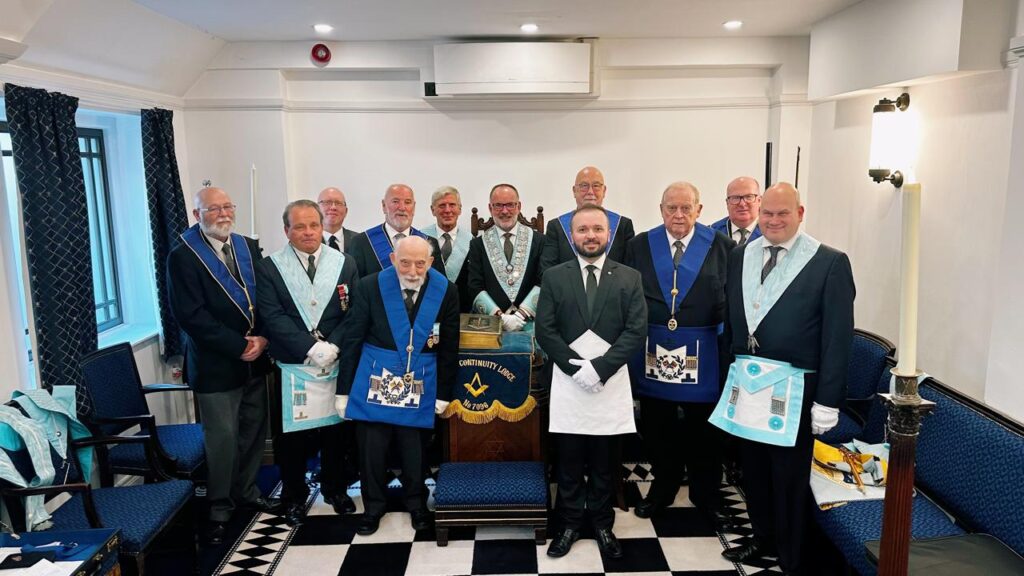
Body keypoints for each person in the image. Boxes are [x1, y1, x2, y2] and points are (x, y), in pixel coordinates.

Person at [713, 182, 855, 575]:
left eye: (782, 213)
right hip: (748, 382)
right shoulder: (741, 255)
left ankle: (792, 555)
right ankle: (762, 538)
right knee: (754, 470)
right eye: (768, 214)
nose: (773, 221)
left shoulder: (828, 262)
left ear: (800, 213)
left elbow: (838, 338)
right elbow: (734, 320)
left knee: (788, 476)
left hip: (796, 389)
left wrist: (828, 400)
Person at [167, 186, 280, 545]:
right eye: (213, 209)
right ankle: (219, 506)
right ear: (197, 215)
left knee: (252, 431)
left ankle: (247, 491)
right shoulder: (183, 256)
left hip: (254, 360)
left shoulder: (247, 246)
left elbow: (266, 298)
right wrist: (238, 345)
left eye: (227, 207)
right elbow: (191, 316)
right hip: (216, 364)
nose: (223, 214)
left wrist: (263, 339)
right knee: (223, 439)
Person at [536, 205, 647, 560]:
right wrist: (576, 370)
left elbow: (636, 331)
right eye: (582, 229)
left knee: (604, 461)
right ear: (572, 235)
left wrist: (599, 369)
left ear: (608, 234)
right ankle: (568, 524)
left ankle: (601, 524)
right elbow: (545, 330)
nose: (590, 236)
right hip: (568, 383)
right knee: (568, 461)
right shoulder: (554, 276)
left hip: (610, 383)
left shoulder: (629, 277)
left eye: (597, 229)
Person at [624, 182, 734, 523]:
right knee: (658, 427)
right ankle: (663, 489)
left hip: (705, 353)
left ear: (699, 210)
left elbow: (733, 301)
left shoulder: (723, 246)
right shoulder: (639, 245)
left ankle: (706, 495)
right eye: (671, 208)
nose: (679, 214)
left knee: (705, 431)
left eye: (686, 207)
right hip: (654, 350)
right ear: (661, 210)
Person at [335, 236, 460, 536]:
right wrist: (343, 391)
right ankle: (373, 508)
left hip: (419, 378)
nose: (413, 271)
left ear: (431, 262)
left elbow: (449, 347)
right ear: (392, 260)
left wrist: (443, 393)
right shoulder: (369, 286)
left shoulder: (446, 290)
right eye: (405, 263)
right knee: (372, 449)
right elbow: (353, 339)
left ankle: (417, 504)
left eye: (420, 263)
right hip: (375, 377)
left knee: (414, 447)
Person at [255, 199, 360, 525]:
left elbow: (353, 311)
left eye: (314, 225)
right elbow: (272, 315)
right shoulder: (270, 267)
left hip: (334, 362)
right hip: (294, 365)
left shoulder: (344, 263)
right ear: (286, 230)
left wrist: (333, 345)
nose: (308, 232)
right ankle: (294, 497)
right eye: (299, 226)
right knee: (292, 440)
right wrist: (310, 347)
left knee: (336, 433)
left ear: (322, 225)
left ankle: (335, 489)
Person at [466, 183, 544, 331]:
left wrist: (521, 314)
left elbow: (544, 280)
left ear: (519, 206)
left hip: (532, 322)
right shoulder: (477, 244)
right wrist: (500, 317)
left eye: (510, 205)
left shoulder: (540, 241)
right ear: (490, 208)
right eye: (498, 205)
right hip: (492, 324)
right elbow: (474, 286)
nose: (504, 211)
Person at [539, 165, 635, 273]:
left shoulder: (622, 226)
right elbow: (547, 271)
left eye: (596, 186)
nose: (590, 191)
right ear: (574, 191)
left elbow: (630, 272)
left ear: (604, 191)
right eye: (584, 186)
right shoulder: (556, 227)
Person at [346, 183, 446, 277]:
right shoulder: (361, 242)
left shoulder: (429, 242)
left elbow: (439, 285)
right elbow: (356, 286)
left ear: (414, 207)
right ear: (384, 206)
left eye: (407, 202)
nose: (402, 208)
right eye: (395, 201)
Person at [422, 186, 472, 312]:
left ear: (460, 209)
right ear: (432, 210)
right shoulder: (421, 238)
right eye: (442, 205)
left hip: (461, 309)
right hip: (427, 306)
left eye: (452, 205)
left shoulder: (472, 241)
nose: (447, 210)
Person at [709, 176, 762, 246]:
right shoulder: (711, 234)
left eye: (749, 197)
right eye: (735, 198)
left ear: (759, 201)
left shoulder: (770, 233)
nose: (742, 204)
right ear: (727, 203)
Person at [318, 187, 358, 252]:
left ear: (346, 211)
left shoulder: (359, 241)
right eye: (327, 202)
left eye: (338, 203)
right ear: (317, 209)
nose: (333, 207)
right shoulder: (308, 240)